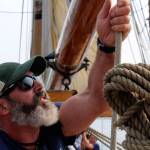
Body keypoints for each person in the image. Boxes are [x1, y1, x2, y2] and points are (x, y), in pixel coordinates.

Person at [0, 0, 131, 149]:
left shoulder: (52, 122)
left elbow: (96, 98)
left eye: (36, 79)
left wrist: (107, 46)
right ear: (3, 107)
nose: (38, 85)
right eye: (26, 83)